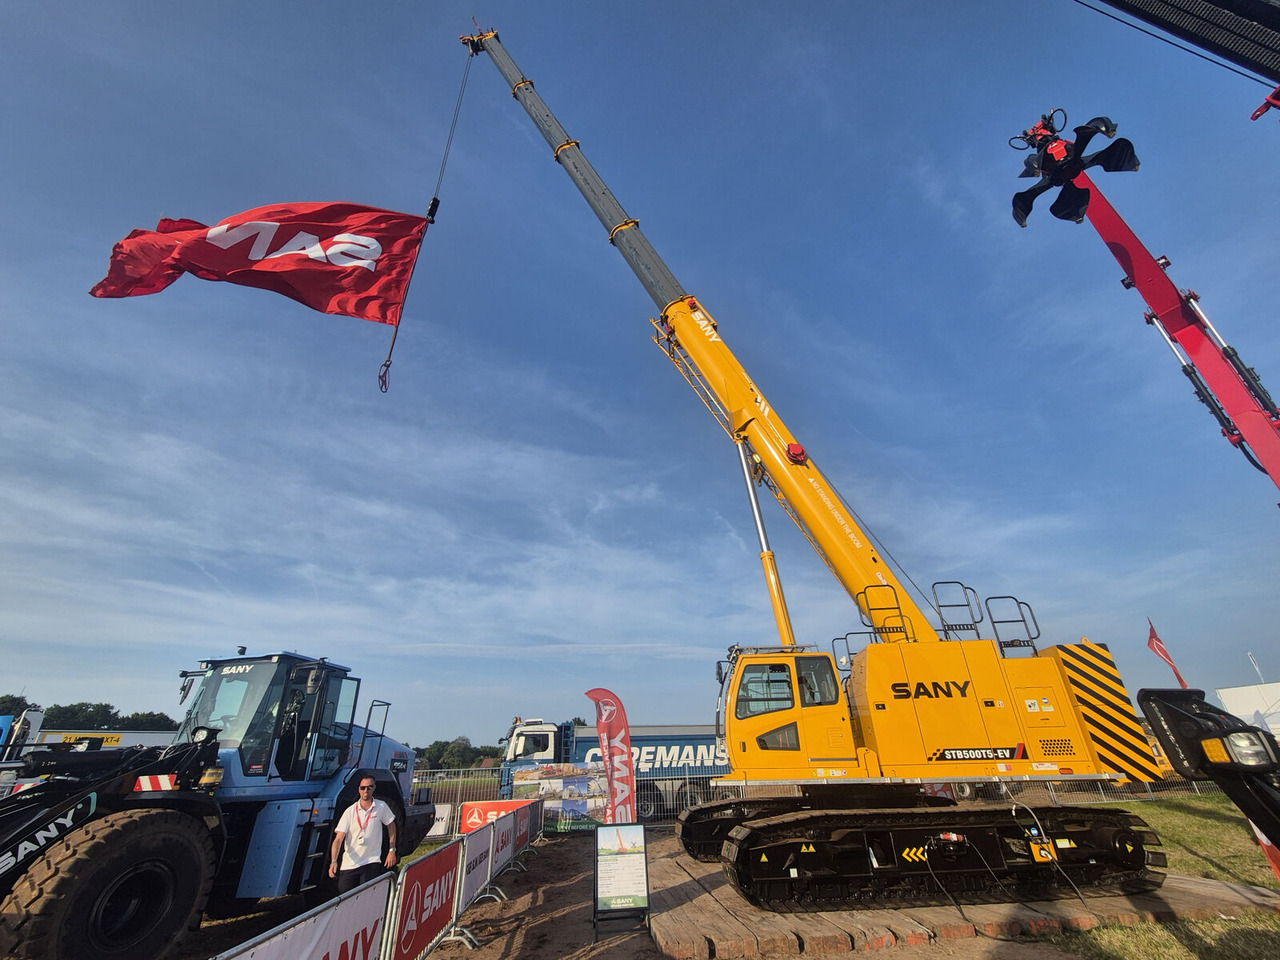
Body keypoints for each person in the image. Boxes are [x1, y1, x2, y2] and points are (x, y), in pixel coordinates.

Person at [328, 772, 398, 893]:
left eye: (369, 787)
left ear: (374, 788)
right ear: (359, 790)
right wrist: (333, 861)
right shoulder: (350, 811)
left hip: (371, 861)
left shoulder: (381, 806)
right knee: (345, 894)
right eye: (363, 788)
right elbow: (338, 839)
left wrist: (392, 850)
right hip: (350, 864)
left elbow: (391, 825)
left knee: (366, 895)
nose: (366, 791)